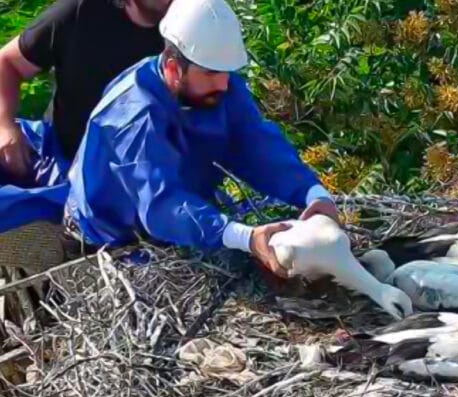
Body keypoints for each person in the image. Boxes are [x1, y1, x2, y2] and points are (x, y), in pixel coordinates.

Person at [64, 0, 338, 276]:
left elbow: (257, 146)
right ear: (173, 68)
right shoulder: (133, 116)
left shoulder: (220, 87)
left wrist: (313, 194)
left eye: (226, 73)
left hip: (182, 225)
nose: (223, 84)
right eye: (210, 73)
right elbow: (161, 203)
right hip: (108, 244)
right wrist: (245, 237)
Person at [0, 0, 173, 232]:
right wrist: (4, 124)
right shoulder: (82, 10)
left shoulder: (191, 28)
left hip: (141, 178)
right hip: (63, 154)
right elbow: (8, 62)